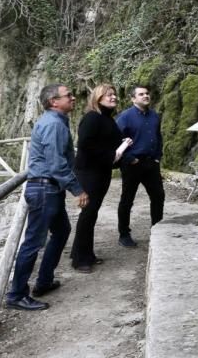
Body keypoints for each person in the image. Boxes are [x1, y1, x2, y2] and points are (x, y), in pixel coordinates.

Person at [7, 84, 88, 311]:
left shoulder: (55, 121)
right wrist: (78, 189)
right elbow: (56, 164)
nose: (73, 98)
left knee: (62, 230)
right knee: (33, 243)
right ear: (54, 101)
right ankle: (16, 295)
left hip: (48, 189)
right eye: (68, 95)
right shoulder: (53, 124)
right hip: (44, 189)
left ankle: (44, 281)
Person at [70, 84, 132, 272]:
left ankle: (84, 253)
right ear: (98, 98)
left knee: (92, 213)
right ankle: (80, 260)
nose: (113, 97)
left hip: (101, 171)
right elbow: (86, 145)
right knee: (88, 213)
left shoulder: (108, 119)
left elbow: (108, 143)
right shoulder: (92, 118)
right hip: (89, 172)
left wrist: (120, 148)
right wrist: (112, 156)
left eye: (114, 94)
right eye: (109, 95)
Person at [115, 85, 165, 248]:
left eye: (147, 93)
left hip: (151, 163)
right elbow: (116, 140)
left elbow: (158, 137)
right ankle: (124, 234)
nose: (145, 96)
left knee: (158, 196)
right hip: (132, 164)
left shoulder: (154, 116)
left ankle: (157, 230)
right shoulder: (125, 117)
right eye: (141, 94)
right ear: (133, 99)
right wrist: (130, 158)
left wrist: (157, 157)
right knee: (127, 199)